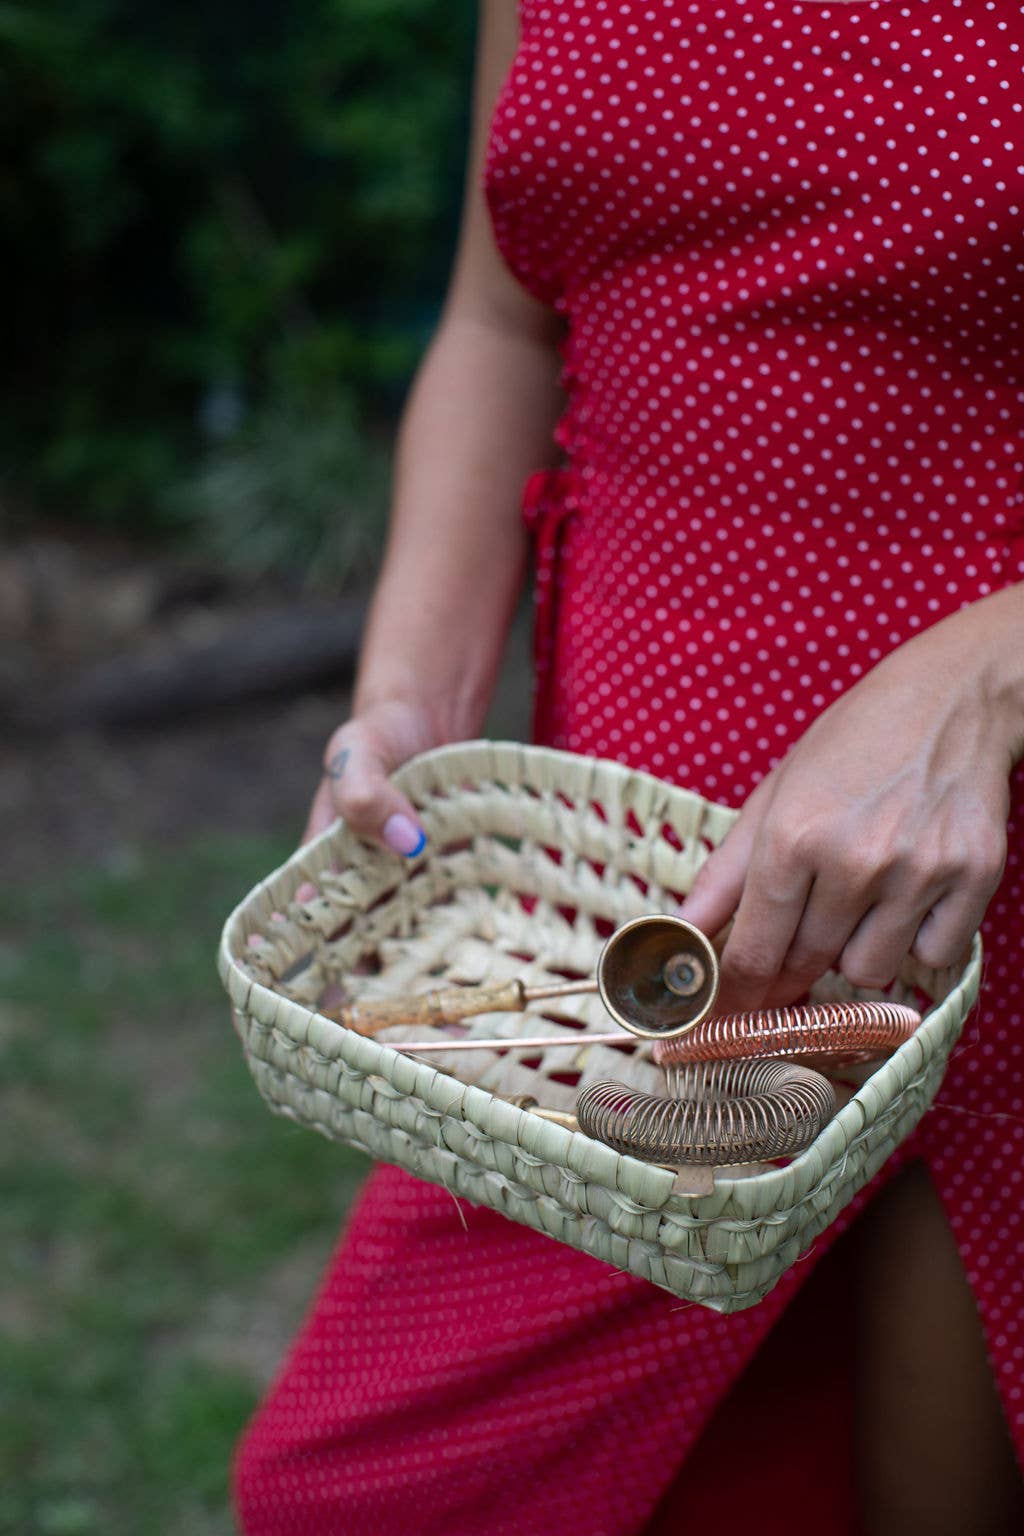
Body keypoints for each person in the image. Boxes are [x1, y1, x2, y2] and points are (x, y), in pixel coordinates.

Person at [233, 3, 1024, 1531]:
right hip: (638, 939)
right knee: (364, 1493)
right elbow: (502, 320)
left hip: (978, 892)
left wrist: (977, 681)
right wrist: (413, 699)